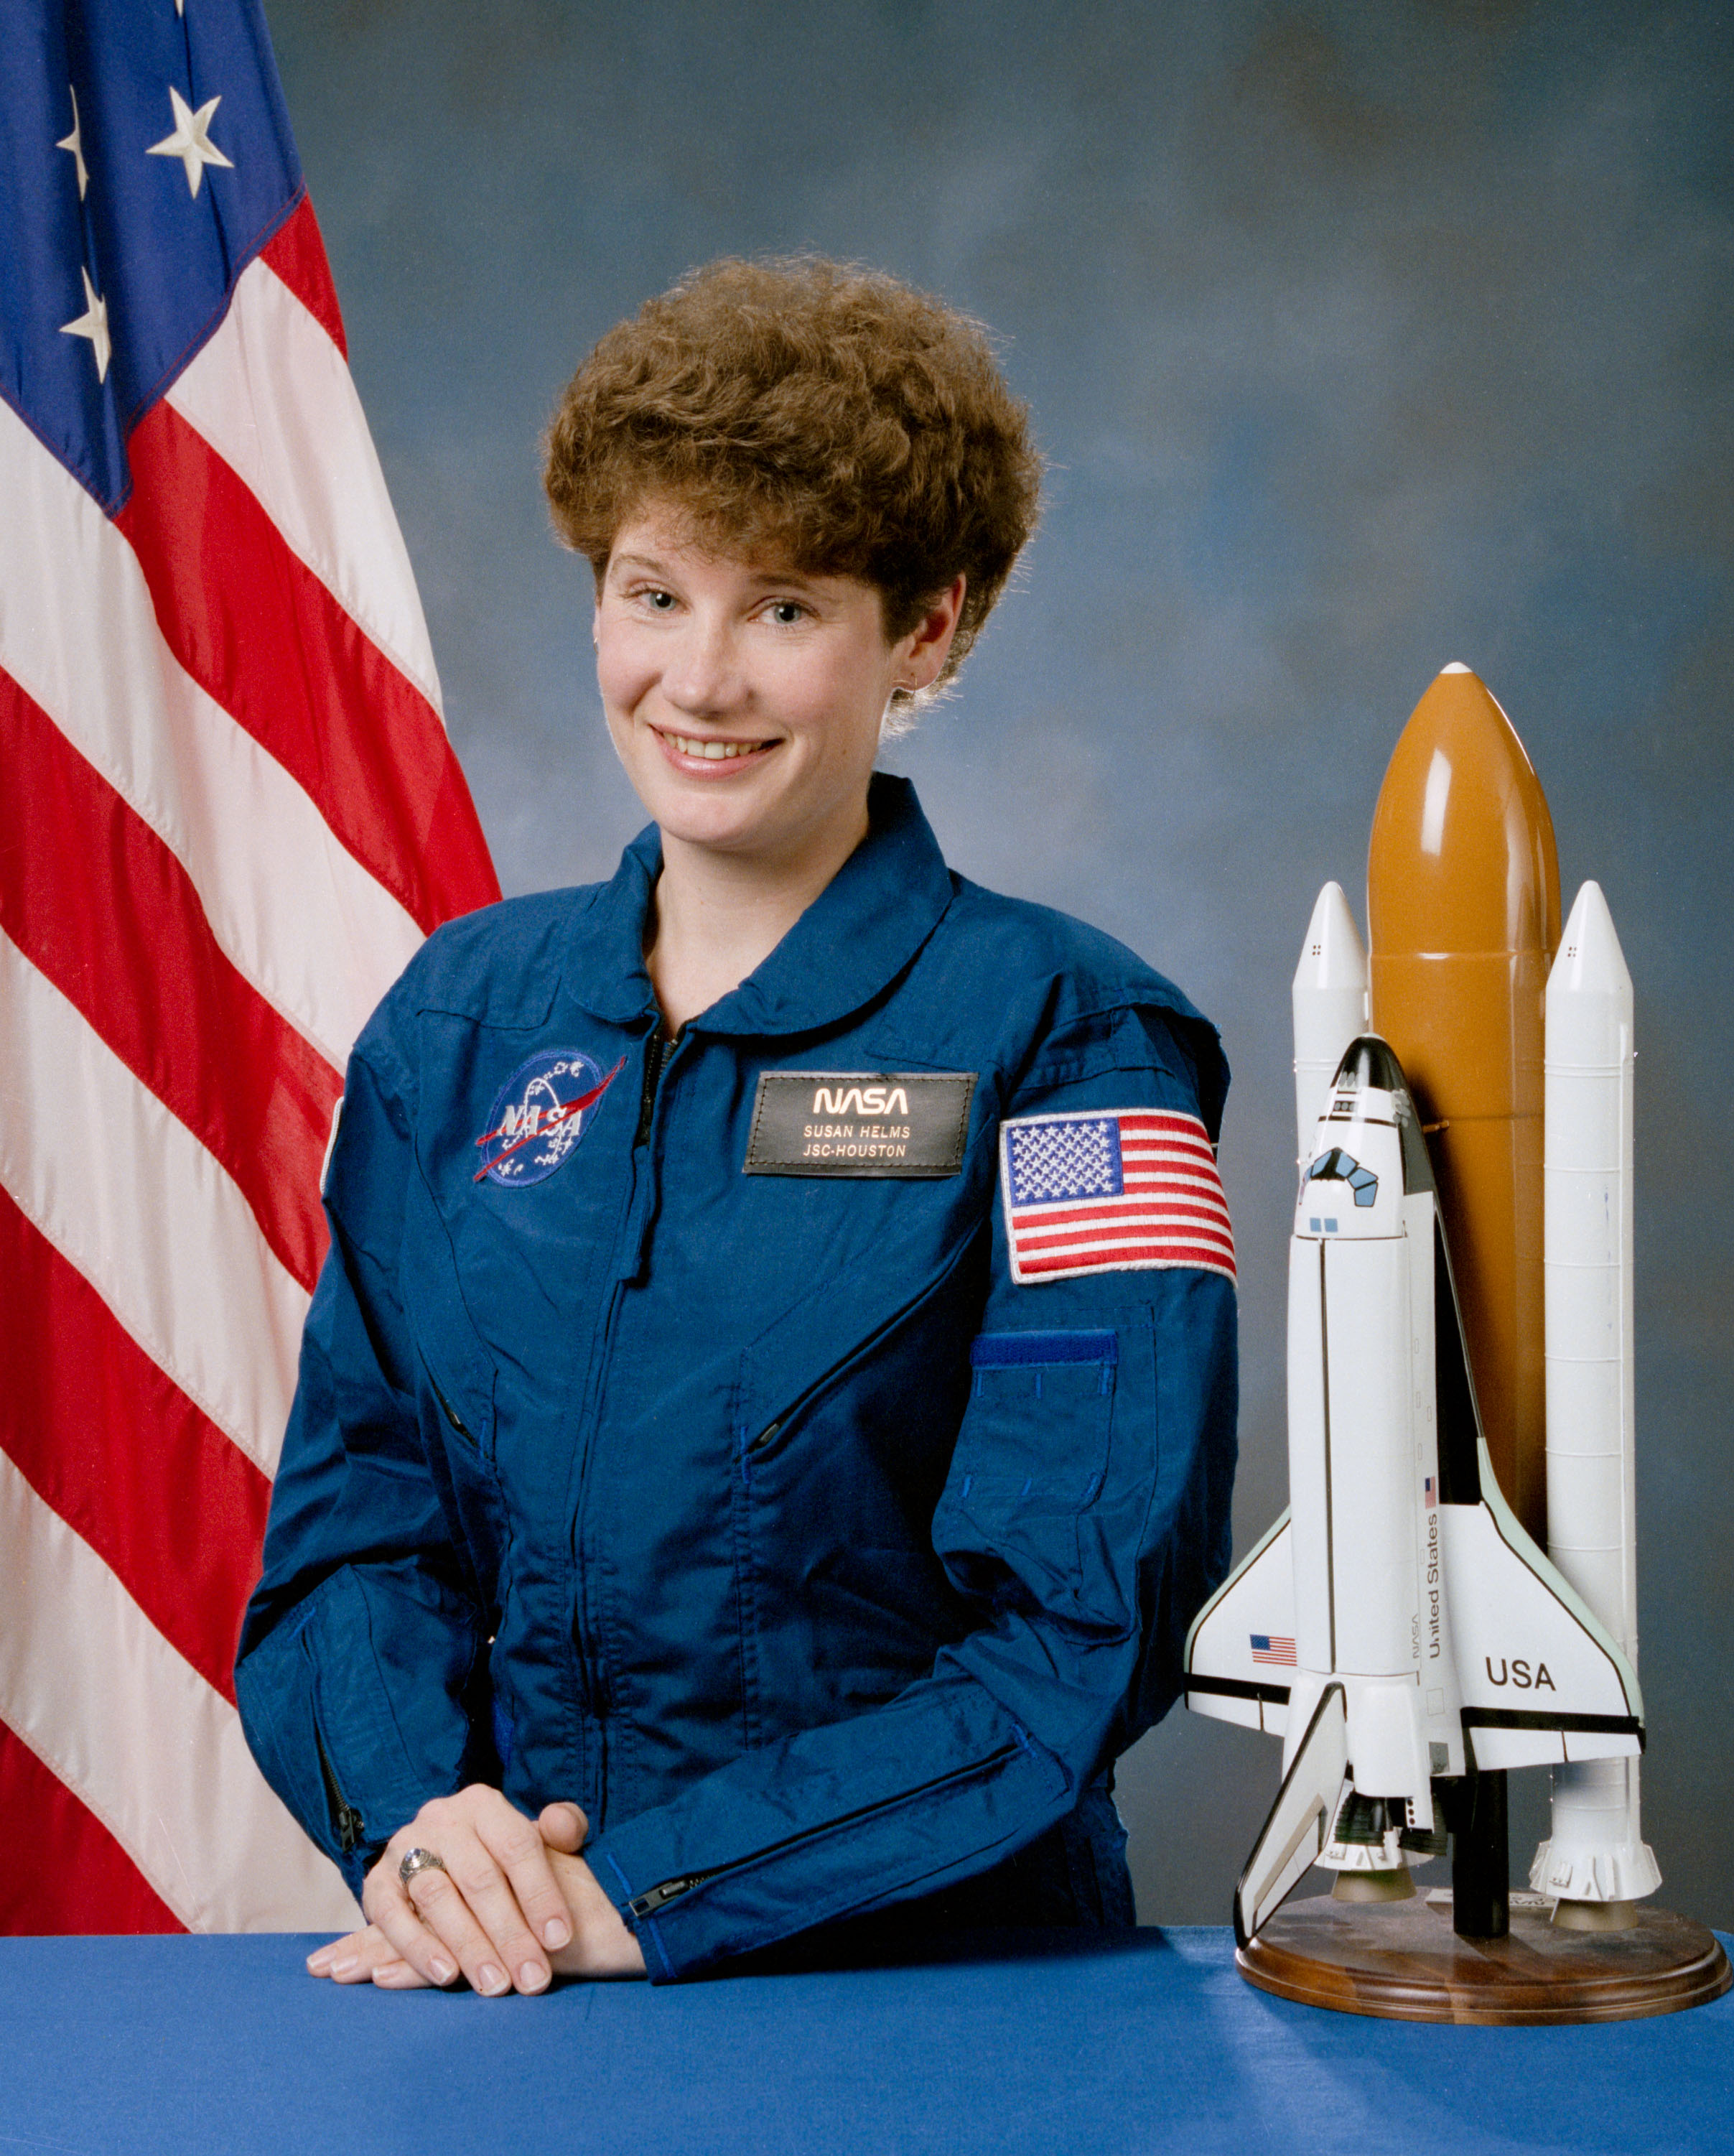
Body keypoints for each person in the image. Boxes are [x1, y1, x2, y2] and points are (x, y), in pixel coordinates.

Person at [236, 257, 1239, 1994]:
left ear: (924, 630)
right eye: (652, 594)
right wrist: (421, 1819)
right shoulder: (460, 1026)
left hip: (930, 1997)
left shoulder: (1075, 1045)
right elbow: (354, 1532)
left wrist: (656, 1897)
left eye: (781, 607)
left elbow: (1080, 1623)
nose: (695, 681)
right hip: (514, 1983)